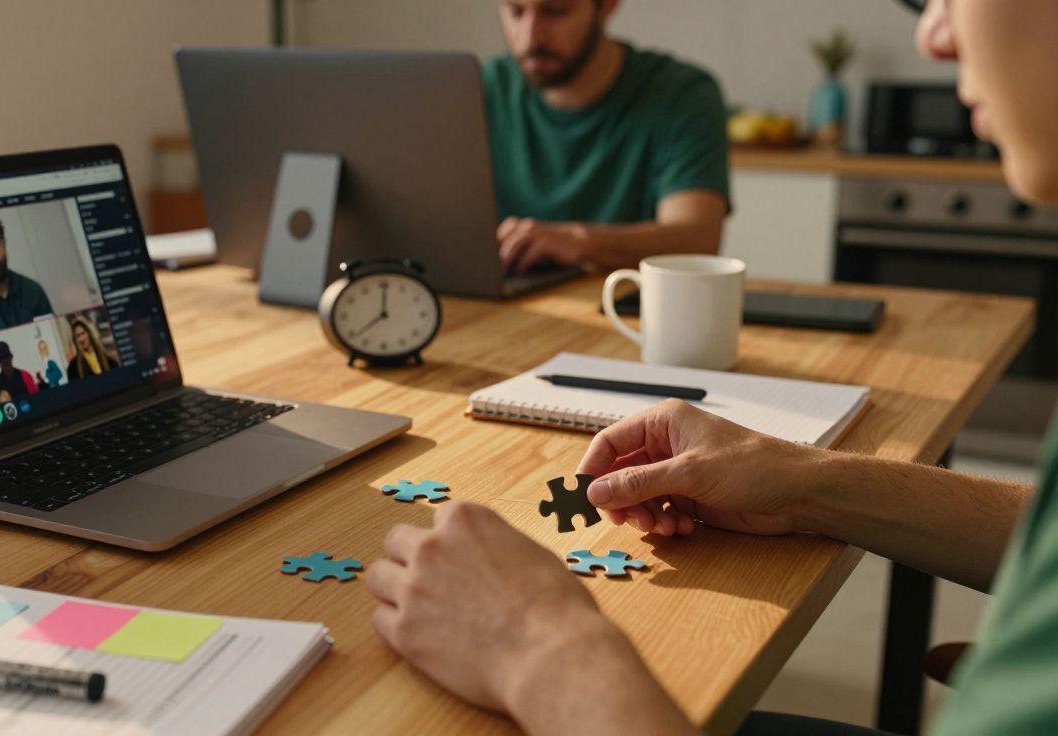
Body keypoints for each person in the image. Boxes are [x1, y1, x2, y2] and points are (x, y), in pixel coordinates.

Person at [365, 1, 1058, 734]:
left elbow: (693, 227)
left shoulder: (674, 91)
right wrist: (801, 484)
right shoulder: (477, 89)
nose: (933, 34)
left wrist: (540, 645)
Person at [483, 0, 730, 275]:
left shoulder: (682, 95)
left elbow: (696, 239)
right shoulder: (478, 90)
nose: (531, 37)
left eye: (556, 11)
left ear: (608, 5)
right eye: (516, 11)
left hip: (623, 305)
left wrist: (579, 240)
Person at [65, 315, 119, 381]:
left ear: (89, 333)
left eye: (83, 333)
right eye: (78, 336)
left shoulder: (108, 359)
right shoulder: (73, 368)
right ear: (75, 340)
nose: (82, 338)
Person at [0, 341, 37, 406]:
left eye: (7, 357)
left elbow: (36, 399)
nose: (5, 360)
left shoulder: (25, 376)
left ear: (11, 357)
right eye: (2, 358)